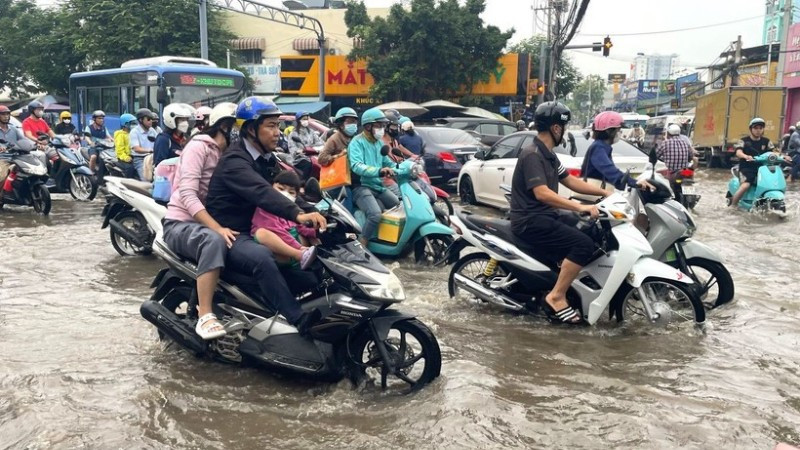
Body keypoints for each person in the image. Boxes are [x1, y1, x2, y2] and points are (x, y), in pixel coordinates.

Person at [205, 96, 326, 333]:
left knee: (314, 269)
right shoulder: (235, 161)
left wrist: (315, 212)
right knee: (262, 258)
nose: (277, 132)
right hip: (233, 232)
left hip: (261, 227)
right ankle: (297, 319)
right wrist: (298, 215)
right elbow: (262, 192)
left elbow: (288, 188)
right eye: (270, 126)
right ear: (251, 129)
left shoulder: (267, 158)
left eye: (278, 126)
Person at [509, 101, 609, 324]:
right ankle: (556, 296)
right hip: (531, 220)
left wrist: (606, 193)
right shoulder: (532, 154)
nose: (564, 133)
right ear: (556, 128)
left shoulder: (549, 155)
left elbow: (571, 181)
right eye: (563, 128)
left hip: (545, 216)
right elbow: (542, 193)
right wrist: (581, 206)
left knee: (590, 229)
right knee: (583, 244)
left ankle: (565, 281)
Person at [163, 102, 239, 340]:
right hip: (181, 224)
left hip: (207, 222)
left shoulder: (231, 154)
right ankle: (205, 313)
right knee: (214, 240)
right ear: (224, 126)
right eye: (236, 127)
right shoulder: (199, 147)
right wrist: (216, 228)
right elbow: (187, 194)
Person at [348, 107, 400, 246]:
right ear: (368, 126)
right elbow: (357, 166)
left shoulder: (378, 143)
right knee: (375, 214)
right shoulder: (356, 142)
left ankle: (386, 240)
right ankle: (362, 244)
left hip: (377, 186)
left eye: (383, 126)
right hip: (361, 187)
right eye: (379, 125)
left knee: (398, 206)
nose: (382, 128)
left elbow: (387, 162)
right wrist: (379, 171)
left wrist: (403, 167)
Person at [251, 170, 318, 269]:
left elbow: (301, 227)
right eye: (281, 189)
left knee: (312, 234)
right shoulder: (265, 208)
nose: (285, 194)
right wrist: (298, 248)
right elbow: (278, 231)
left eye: (291, 192)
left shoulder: (292, 212)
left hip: (296, 246)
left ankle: (318, 255)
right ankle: (300, 255)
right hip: (279, 249)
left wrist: (316, 231)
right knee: (262, 233)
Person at [582, 111, 654, 192]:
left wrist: (626, 183)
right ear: (609, 131)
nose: (620, 132)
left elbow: (612, 177)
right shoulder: (598, 147)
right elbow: (609, 170)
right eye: (618, 129)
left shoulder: (604, 147)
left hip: (599, 192)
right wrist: (634, 182)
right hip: (592, 195)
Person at [730, 117, 786, 207]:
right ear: (751, 129)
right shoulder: (744, 141)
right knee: (746, 185)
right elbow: (738, 152)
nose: (758, 130)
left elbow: (774, 152)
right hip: (747, 168)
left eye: (760, 128)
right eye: (755, 128)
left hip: (762, 169)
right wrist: (745, 156)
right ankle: (733, 205)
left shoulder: (766, 141)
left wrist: (783, 157)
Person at [288, 111, 322, 180]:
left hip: (313, 156)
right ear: (298, 120)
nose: (305, 121)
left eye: (306, 119)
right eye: (304, 119)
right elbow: (292, 149)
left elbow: (320, 142)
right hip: (299, 158)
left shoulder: (311, 132)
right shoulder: (293, 134)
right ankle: (303, 184)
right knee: (308, 165)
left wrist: (316, 148)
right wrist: (299, 151)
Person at [0, 105, 26, 194]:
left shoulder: (14, 129)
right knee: (2, 176)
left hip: (17, 158)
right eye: (3, 114)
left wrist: (35, 144)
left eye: (7, 114)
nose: (6, 116)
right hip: (2, 159)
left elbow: (23, 140)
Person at [129, 108, 159, 180]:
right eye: (148, 119)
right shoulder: (134, 132)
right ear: (141, 120)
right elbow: (136, 148)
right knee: (146, 179)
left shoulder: (152, 130)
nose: (151, 121)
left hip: (153, 157)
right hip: (140, 159)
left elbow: (158, 140)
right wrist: (150, 150)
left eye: (151, 119)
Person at [113, 113, 139, 178]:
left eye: (135, 123)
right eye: (132, 123)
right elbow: (119, 151)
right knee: (130, 168)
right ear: (125, 124)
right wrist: (126, 158)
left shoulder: (134, 133)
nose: (135, 125)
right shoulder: (120, 135)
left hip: (135, 156)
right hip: (124, 158)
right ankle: (128, 184)